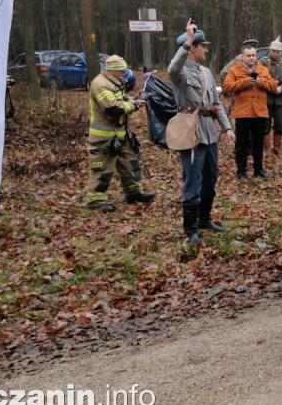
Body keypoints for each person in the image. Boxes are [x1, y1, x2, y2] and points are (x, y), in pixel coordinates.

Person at [169, 22, 236, 245]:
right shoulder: (179, 72)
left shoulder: (206, 72)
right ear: (193, 47)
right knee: (193, 179)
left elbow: (216, 103)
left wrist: (227, 128)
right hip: (190, 131)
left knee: (210, 178)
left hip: (209, 131)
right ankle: (190, 228)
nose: (206, 50)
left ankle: (205, 218)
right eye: (203, 46)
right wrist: (188, 40)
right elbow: (173, 68)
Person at [85, 54, 154, 212]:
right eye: (122, 71)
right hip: (104, 138)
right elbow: (113, 108)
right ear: (112, 71)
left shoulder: (115, 82)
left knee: (130, 164)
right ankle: (96, 202)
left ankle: (133, 193)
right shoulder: (100, 84)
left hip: (121, 135)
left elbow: (121, 100)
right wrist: (135, 105)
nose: (125, 73)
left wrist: (134, 99)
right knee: (102, 170)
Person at [222, 41, 277, 180]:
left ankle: (258, 169)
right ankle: (241, 171)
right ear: (242, 56)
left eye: (253, 55)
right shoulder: (234, 70)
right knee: (241, 144)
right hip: (243, 113)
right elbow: (226, 87)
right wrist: (245, 82)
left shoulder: (263, 69)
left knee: (258, 143)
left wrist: (261, 82)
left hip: (260, 112)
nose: (251, 58)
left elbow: (273, 86)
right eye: (248, 55)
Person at [259, 37, 282, 157]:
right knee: (265, 124)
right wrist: (273, 85)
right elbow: (261, 80)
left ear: (281, 51)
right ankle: (267, 148)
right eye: (274, 51)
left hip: (279, 100)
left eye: (278, 51)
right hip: (266, 99)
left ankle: (277, 147)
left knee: (279, 124)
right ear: (270, 50)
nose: (276, 53)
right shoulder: (263, 62)